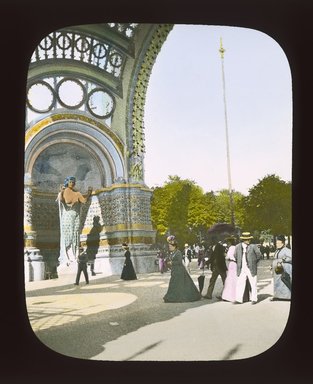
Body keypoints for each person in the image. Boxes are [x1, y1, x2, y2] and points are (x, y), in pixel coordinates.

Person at [56, 176, 92, 267]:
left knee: (75, 235)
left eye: (73, 182)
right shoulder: (63, 192)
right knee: (68, 235)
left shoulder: (77, 193)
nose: (72, 183)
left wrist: (88, 193)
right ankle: (67, 257)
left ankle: (75, 256)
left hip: (76, 216)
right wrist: (61, 192)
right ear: (67, 182)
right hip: (67, 216)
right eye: (70, 181)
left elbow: (84, 201)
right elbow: (61, 200)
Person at [163, 235, 201, 303]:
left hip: (179, 270)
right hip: (175, 270)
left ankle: (178, 297)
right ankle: (172, 296)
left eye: (170, 246)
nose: (169, 248)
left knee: (180, 284)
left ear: (174, 246)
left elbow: (179, 261)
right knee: (174, 283)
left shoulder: (178, 252)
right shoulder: (173, 253)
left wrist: (172, 262)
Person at [234, 232, 263, 304]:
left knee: (253, 283)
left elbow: (259, 255)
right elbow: (235, 256)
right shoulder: (238, 247)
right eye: (246, 239)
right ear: (243, 240)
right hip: (241, 268)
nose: (248, 240)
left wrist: (254, 263)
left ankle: (254, 299)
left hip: (251, 268)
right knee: (240, 283)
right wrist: (239, 264)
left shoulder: (253, 246)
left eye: (249, 239)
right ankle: (238, 299)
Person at [271, 235, 292, 301]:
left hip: (284, 268)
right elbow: (275, 258)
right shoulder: (277, 250)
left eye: (278, 243)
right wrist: (271, 266)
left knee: (283, 282)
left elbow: (291, 257)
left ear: (282, 243)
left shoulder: (287, 250)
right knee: (277, 282)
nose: (277, 244)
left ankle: (287, 297)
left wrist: (283, 260)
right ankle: (277, 296)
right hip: (277, 269)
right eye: (276, 243)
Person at [221, 236, 238, 302]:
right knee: (235, 278)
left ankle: (229, 296)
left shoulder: (231, 248)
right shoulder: (236, 247)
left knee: (230, 278)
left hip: (232, 264)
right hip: (235, 264)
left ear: (230, 242)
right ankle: (236, 295)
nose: (227, 243)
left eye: (228, 242)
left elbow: (228, 257)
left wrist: (225, 255)